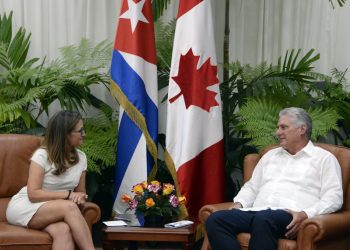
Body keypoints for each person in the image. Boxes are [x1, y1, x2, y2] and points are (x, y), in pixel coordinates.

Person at [206, 107, 343, 250]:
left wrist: (305, 214)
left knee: (264, 219)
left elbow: (333, 198)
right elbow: (252, 187)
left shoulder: (324, 159)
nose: (277, 132)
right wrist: (240, 203)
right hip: (258, 212)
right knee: (216, 220)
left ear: (302, 129)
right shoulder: (270, 156)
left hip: (290, 216)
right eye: (278, 128)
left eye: (283, 127)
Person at [6, 110, 95, 250]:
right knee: (69, 207)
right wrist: (67, 195)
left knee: (63, 231)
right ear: (65, 134)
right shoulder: (42, 156)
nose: (84, 134)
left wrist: (80, 197)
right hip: (25, 206)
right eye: (80, 131)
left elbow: (80, 193)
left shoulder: (81, 158)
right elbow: (33, 194)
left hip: (56, 209)